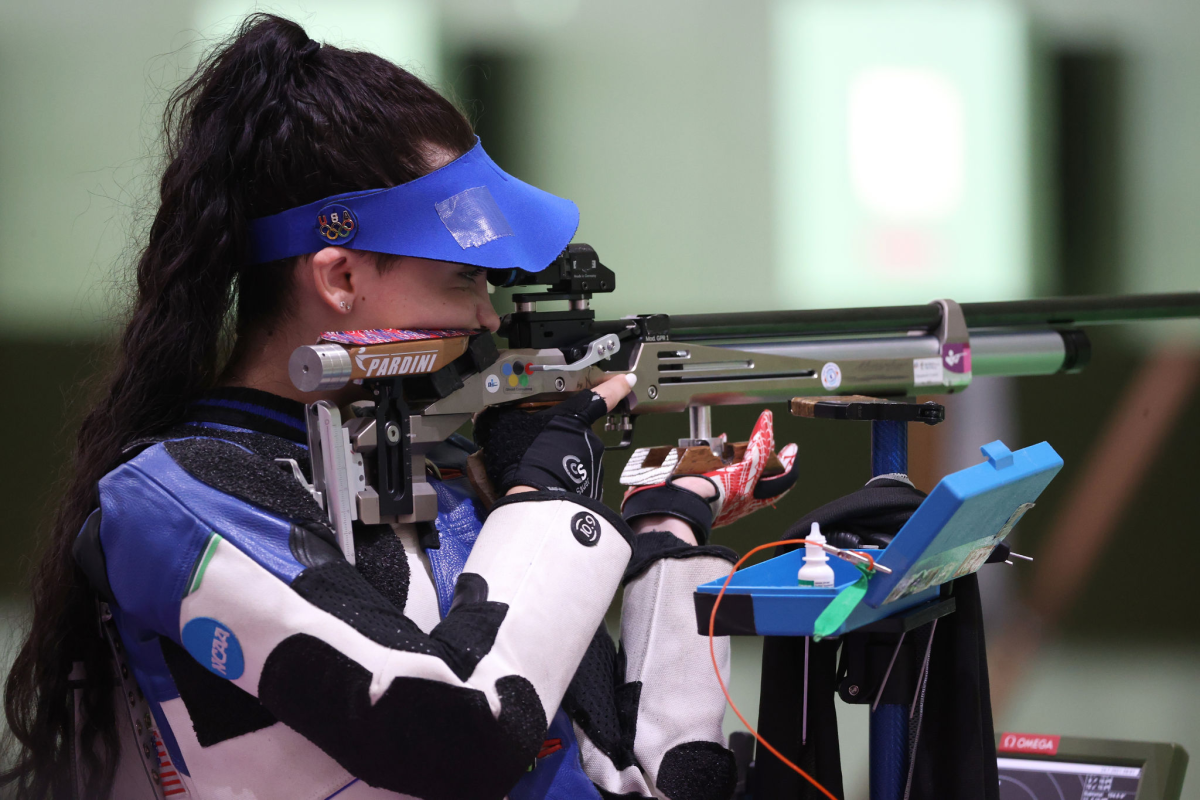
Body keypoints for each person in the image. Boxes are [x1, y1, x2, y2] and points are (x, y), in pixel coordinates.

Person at [1, 15, 796, 800]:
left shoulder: (438, 479)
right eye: (463, 278)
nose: (488, 317)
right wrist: (549, 504)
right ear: (340, 278)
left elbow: (651, 781)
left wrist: (668, 529)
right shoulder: (175, 500)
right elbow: (454, 736)